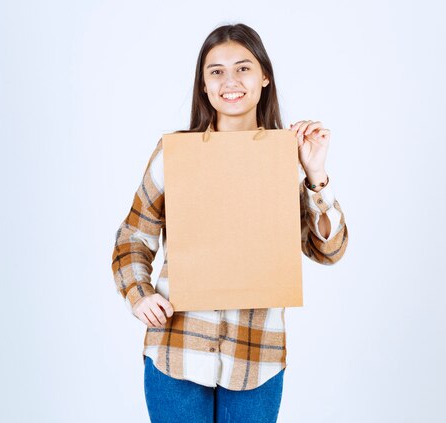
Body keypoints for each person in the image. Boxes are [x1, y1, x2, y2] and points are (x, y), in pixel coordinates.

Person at [111, 23, 349, 423]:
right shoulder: (175, 154)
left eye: (243, 68)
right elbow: (134, 234)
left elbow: (329, 250)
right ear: (203, 85)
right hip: (177, 351)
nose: (230, 81)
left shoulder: (286, 156)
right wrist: (139, 293)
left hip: (256, 357)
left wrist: (316, 175)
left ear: (265, 76)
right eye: (216, 71)